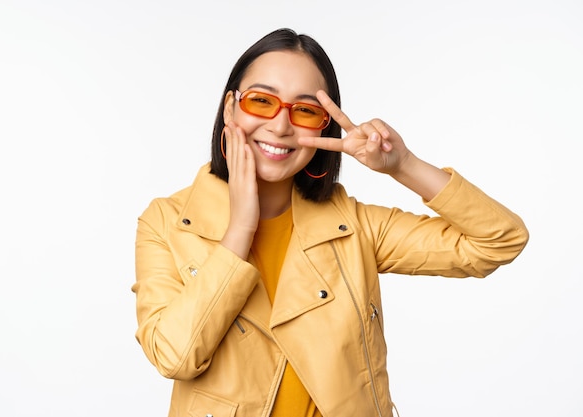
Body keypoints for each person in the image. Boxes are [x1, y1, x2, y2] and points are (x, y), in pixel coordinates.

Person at [132, 28, 529, 417]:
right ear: (230, 107)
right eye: (261, 101)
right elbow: (174, 356)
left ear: (325, 125)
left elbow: (498, 240)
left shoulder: (353, 226)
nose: (281, 125)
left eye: (305, 110)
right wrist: (240, 229)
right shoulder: (167, 222)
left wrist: (402, 165)